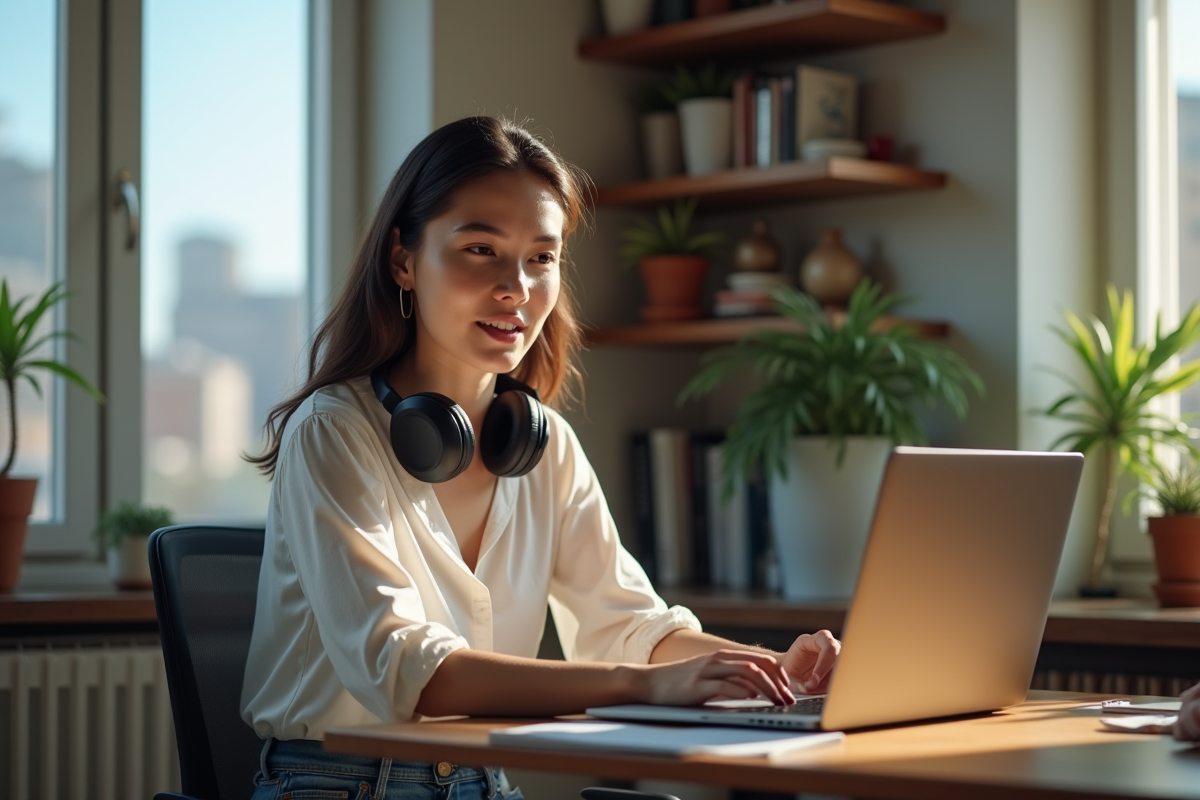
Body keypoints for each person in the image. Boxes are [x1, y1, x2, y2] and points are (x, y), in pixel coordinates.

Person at [239, 116, 841, 800]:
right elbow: (405, 668)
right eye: (479, 249)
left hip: (483, 782)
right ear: (403, 259)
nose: (516, 288)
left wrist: (781, 671)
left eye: (541, 257)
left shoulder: (544, 445)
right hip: (336, 785)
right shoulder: (334, 433)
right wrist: (645, 686)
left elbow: (629, 626)